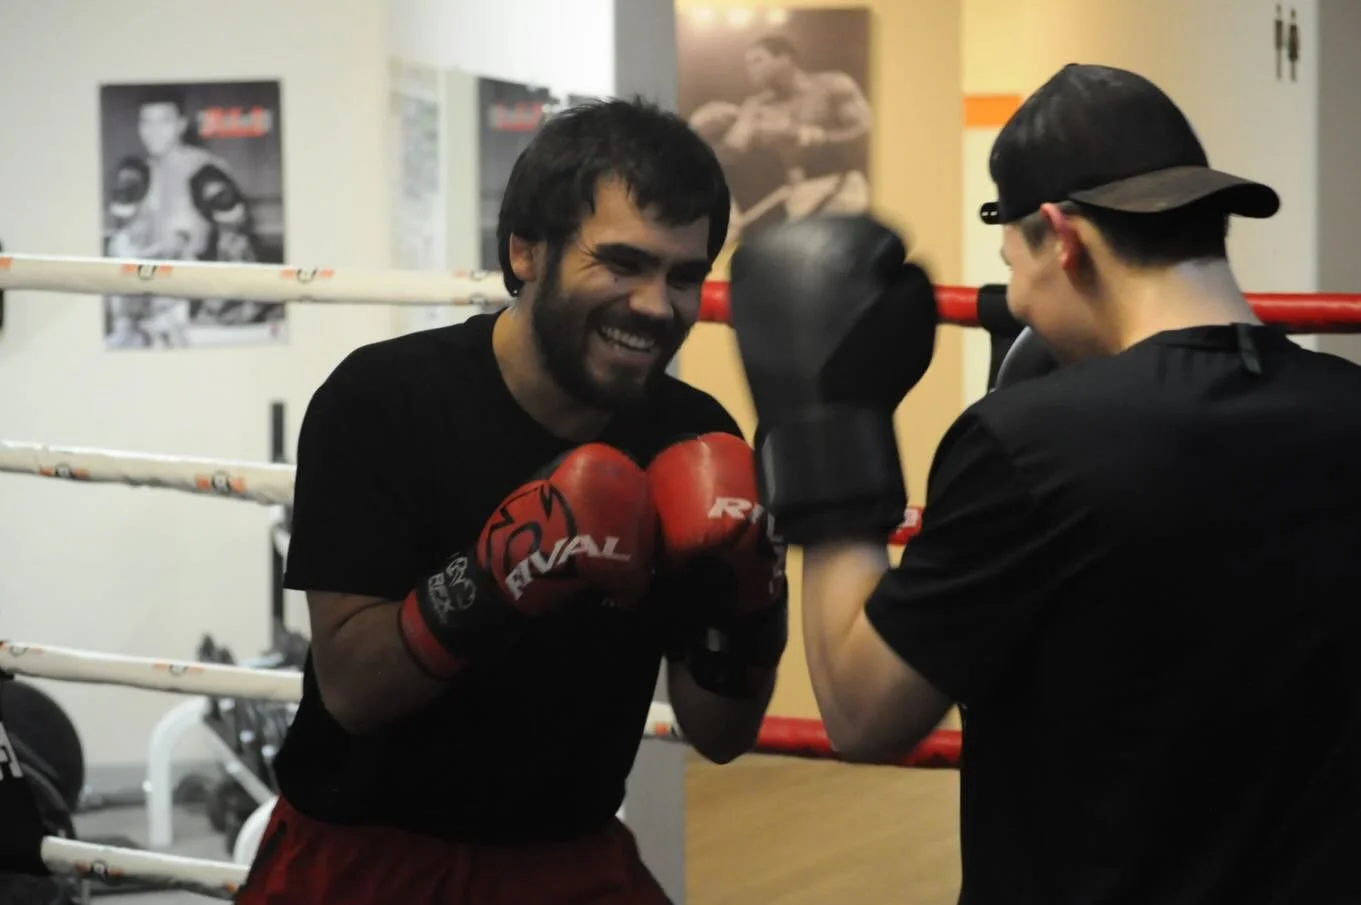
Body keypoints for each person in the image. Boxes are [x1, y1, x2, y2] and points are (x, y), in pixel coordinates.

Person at [726, 63, 1361, 904]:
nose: (1016, 304)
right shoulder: (1345, 408)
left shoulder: (1027, 445)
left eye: (1013, 264)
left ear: (1061, 237)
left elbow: (861, 708)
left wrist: (824, 430)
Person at [237, 98, 788, 905]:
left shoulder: (691, 435)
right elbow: (353, 691)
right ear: (526, 251)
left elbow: (722, 733)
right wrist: (498, 575)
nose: (654, 305)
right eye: (621, 262)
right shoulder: (384, 400)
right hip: (365, 859)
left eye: (682, 275)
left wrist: (747, 601)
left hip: (566, 858)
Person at [690, 34, 871, 239]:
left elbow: (865, 133)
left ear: (784, 58)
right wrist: (705, 126)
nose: (751, 69)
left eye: (758, 60)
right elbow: (730, 154)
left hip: (843, 187)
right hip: (799, 195)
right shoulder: (758, 106)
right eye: (747, 64)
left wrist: (811, 136)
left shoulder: (833, 85)